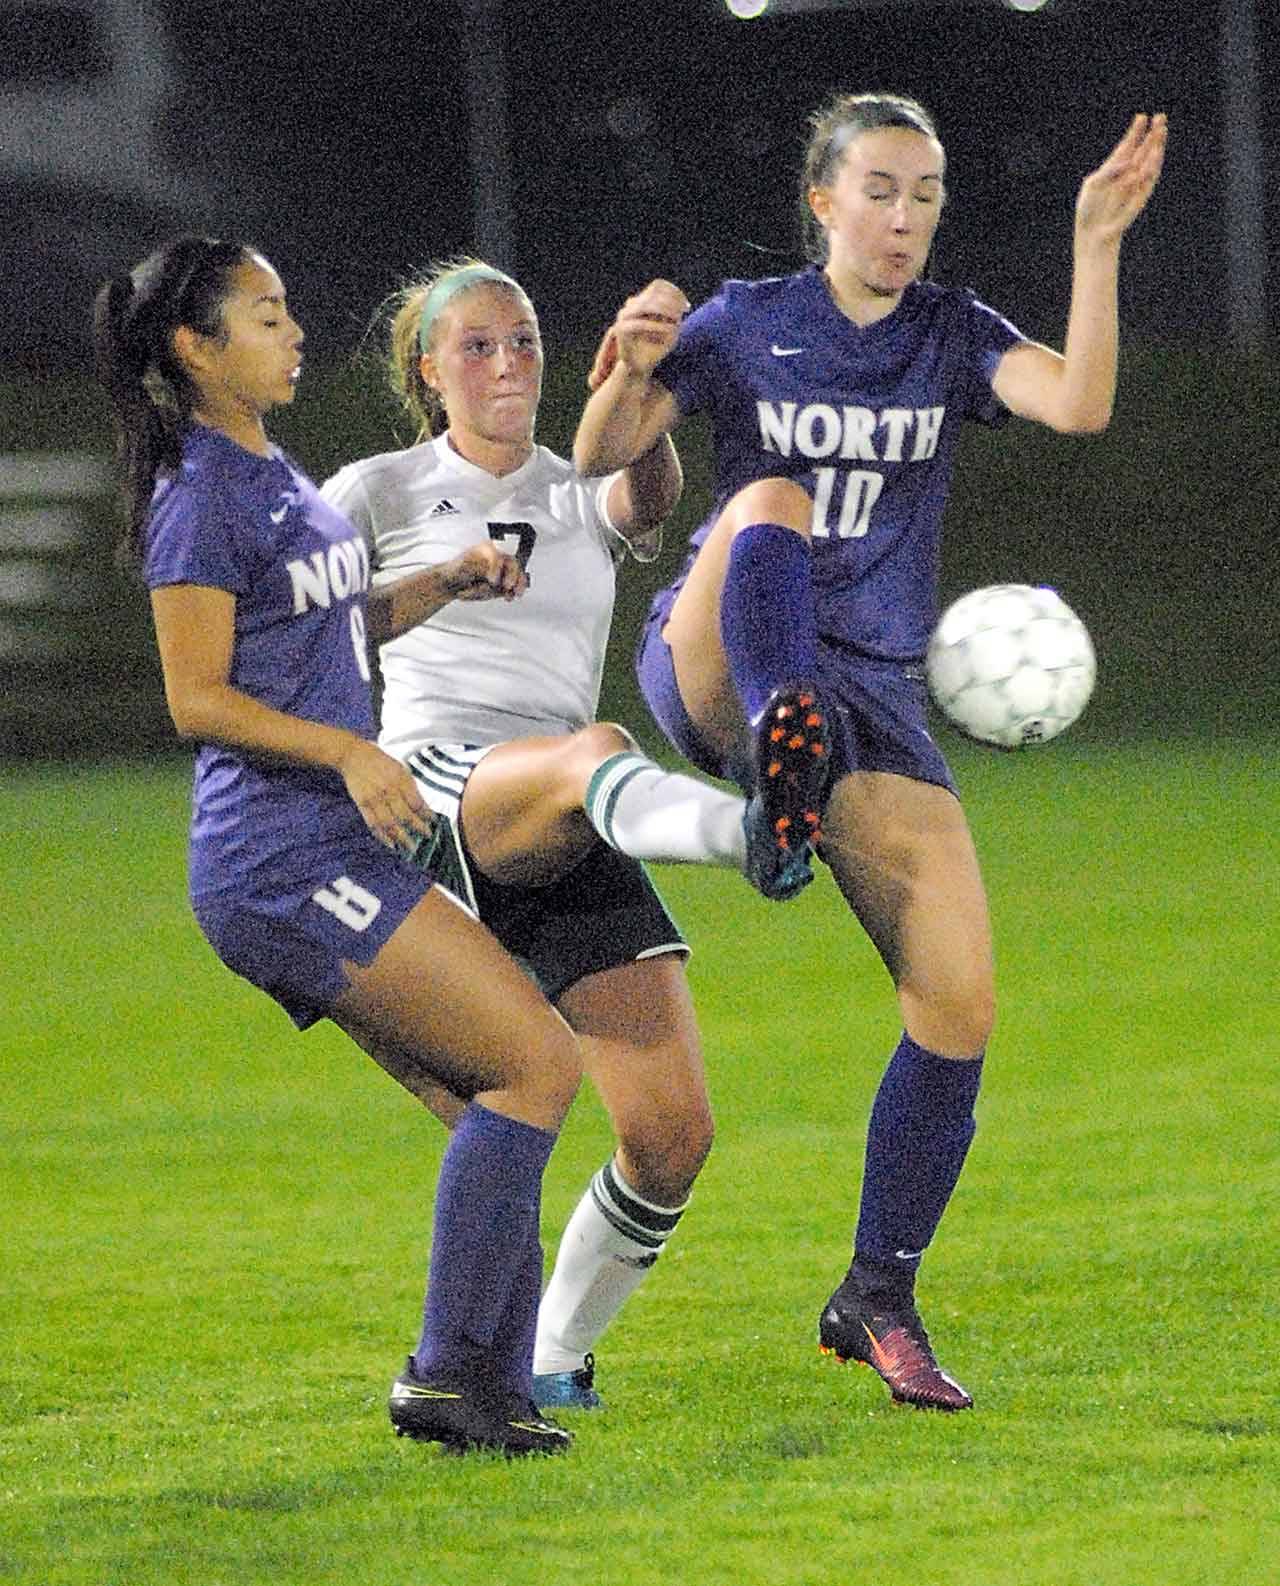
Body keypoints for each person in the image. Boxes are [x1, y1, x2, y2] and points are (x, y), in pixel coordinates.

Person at [573, 96, 1167, 1411]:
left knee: (960, 1003)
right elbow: (599, 454)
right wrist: (625, 365)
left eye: (927, 197)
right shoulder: (742, 320)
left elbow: (1073, 402)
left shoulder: (951, 335)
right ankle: (782, 753)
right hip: (724, 658)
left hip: (877, 697)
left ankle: (875, 1292)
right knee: (769, 491)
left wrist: (1098, 243)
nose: (905, 219)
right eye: (881, 191)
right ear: (822, 203)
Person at [93, 234, 593, 1457]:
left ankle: (493, 1389)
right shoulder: (200, 495)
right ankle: (443, 1375)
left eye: (285, 305)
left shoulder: (268, 469)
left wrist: (441, 581)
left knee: (494, 1095)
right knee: (535, 1065)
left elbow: (331, 618)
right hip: (279, 860)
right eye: (263, 315)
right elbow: (196, 696)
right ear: (193, 349)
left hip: (328, 846)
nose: (293, 328)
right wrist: (350, 753)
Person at [320, 257, 808, 1414]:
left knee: (670, 1133)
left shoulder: (569, 482)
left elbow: (643, 498)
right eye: (477, 345)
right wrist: (436, 582)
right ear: (429, 371)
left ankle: (550, 1353)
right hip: (443, 791)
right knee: (594, 746)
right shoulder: (377, 488)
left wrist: (643, 381)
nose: (505, 364)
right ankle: (755, 832)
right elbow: (312, 622)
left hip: (572, 811)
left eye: (525, 341)